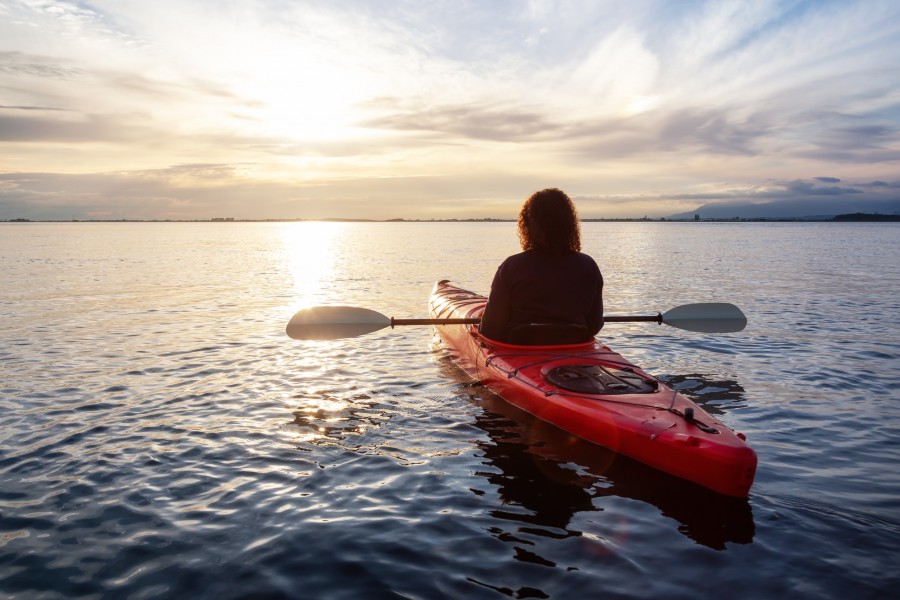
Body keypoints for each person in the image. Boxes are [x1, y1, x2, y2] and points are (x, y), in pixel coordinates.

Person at [480, 188, 603, 345]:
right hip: (572, 346)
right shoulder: (589, 266)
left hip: (520, 348)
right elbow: (595, 325)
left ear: (529, 226)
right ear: (570, 224)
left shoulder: (512, 267)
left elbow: (491, 328)